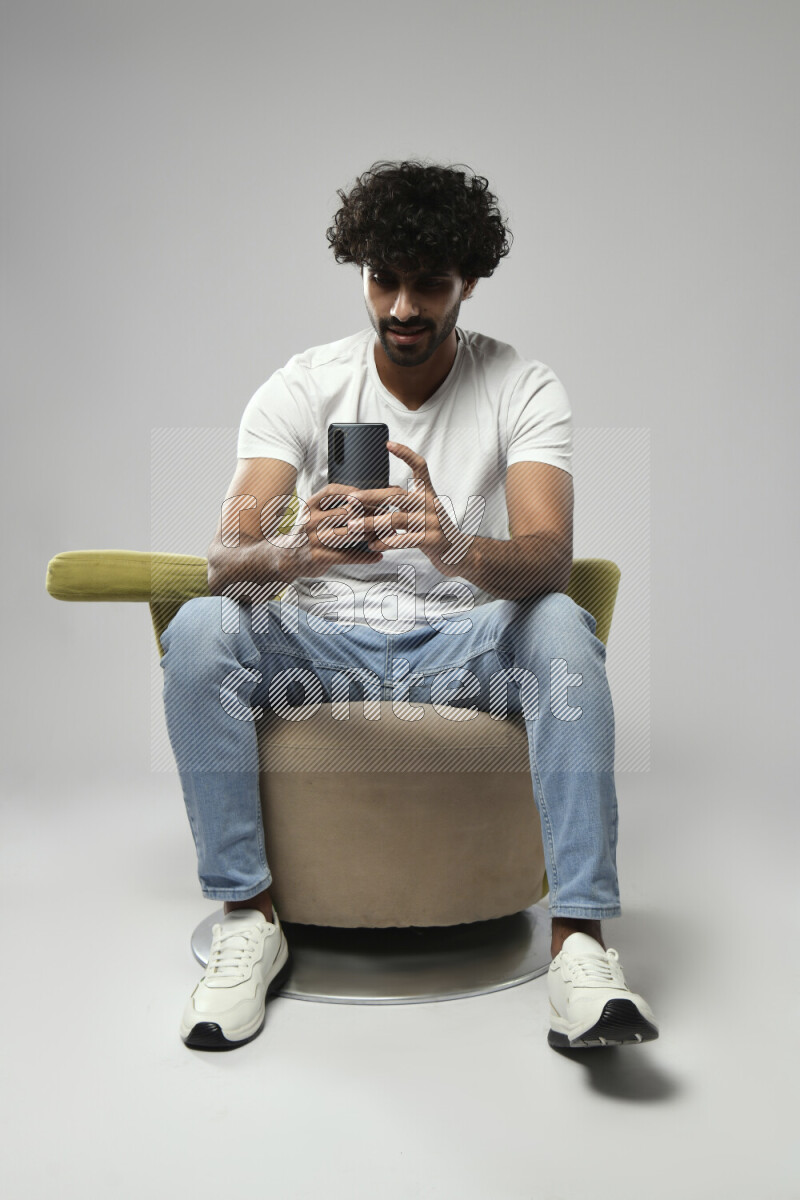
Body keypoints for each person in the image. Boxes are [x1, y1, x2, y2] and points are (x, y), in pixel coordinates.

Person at [160, 160, 659, 1052]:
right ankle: (248, 918)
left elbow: (550, 556)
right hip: (317, 640)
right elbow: (224, 559)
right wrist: (291, 549)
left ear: (468, 280)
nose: (401, 308)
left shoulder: (522, 385)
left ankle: (580, 946)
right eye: (383, 279)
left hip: (462, 644)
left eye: (429, 284)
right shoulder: (301, 386)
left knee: (561, 624)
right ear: (361, 271)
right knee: (203, 627)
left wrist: (454, 545)